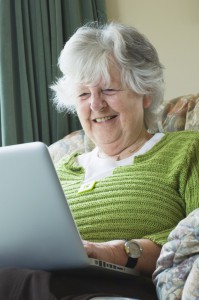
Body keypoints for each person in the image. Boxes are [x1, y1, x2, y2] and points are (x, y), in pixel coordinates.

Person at [0, 21, 199, 300]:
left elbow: (193, 238)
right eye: (83, 94)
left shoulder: (185, 151)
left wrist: (117, 251)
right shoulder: (53, 170)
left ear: (145, 93)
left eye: (108, 90)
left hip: (117, 286)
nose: (95, 104)